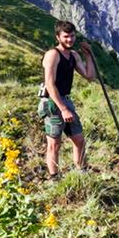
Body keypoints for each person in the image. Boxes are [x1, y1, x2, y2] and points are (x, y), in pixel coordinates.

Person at [39, 20, 95, 180]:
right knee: (54, 144)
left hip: (66, 101)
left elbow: (90, 76)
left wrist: (88, 56)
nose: (69, 39)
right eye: (65, 36)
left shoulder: (73, 55)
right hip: (52, 102)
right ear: (58, 37)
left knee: (79, 140)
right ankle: (54, 178)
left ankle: (81, 171)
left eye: (72, 36)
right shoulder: (52, 55)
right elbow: (50, 84)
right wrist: (63, 109)